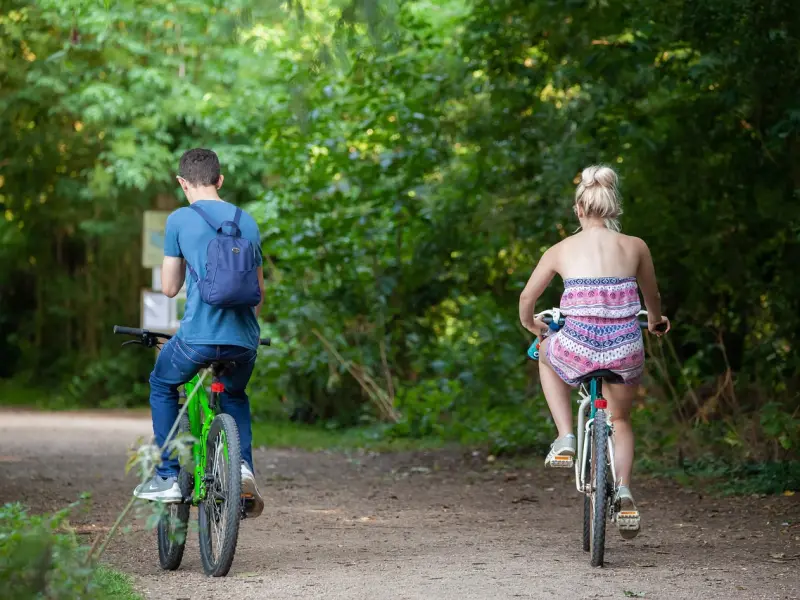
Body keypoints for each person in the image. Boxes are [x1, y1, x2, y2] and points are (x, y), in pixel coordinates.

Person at [518, 165, 669, 538]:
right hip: (624, 347)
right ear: (613, 208)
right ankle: (624, 489)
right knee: (620, 420)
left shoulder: (560, 249)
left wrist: (533, 326)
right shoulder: (636, 247)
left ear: (579, 210)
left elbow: (527, 298)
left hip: (577, 345)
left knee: (546, 350)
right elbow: (653, 298)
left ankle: (565, 435)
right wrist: (654, 321)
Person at [133, 148, 265, 517]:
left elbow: (171, 288)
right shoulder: (248, 222)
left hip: (197, 339)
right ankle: (242, 470)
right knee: (235, 394)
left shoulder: (178, 220)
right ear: (220, 180)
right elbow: (259, 295)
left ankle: (168, 475)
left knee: (162, 384)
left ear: (182, 183)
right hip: (244, 342)